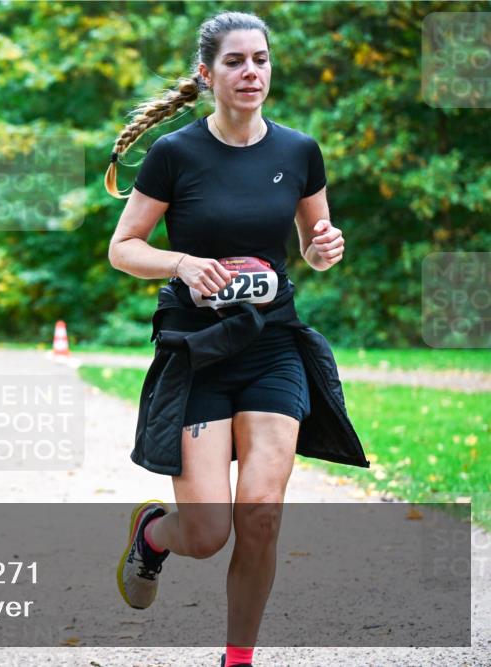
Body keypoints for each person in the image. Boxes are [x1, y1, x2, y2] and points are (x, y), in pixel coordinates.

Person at [105, 12, 368, 667]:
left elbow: (314, 243)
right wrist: (181, 263)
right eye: (235, 62)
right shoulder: (176, 154)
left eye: (261, 60)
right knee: (208, 531)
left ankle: (238, 658)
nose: (252, 72)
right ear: (207, 73)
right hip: (198, 352)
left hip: (273, 344)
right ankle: (154, 537)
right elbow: (123, 247)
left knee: (260, 515)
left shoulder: (299, 151)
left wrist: (325, 247)